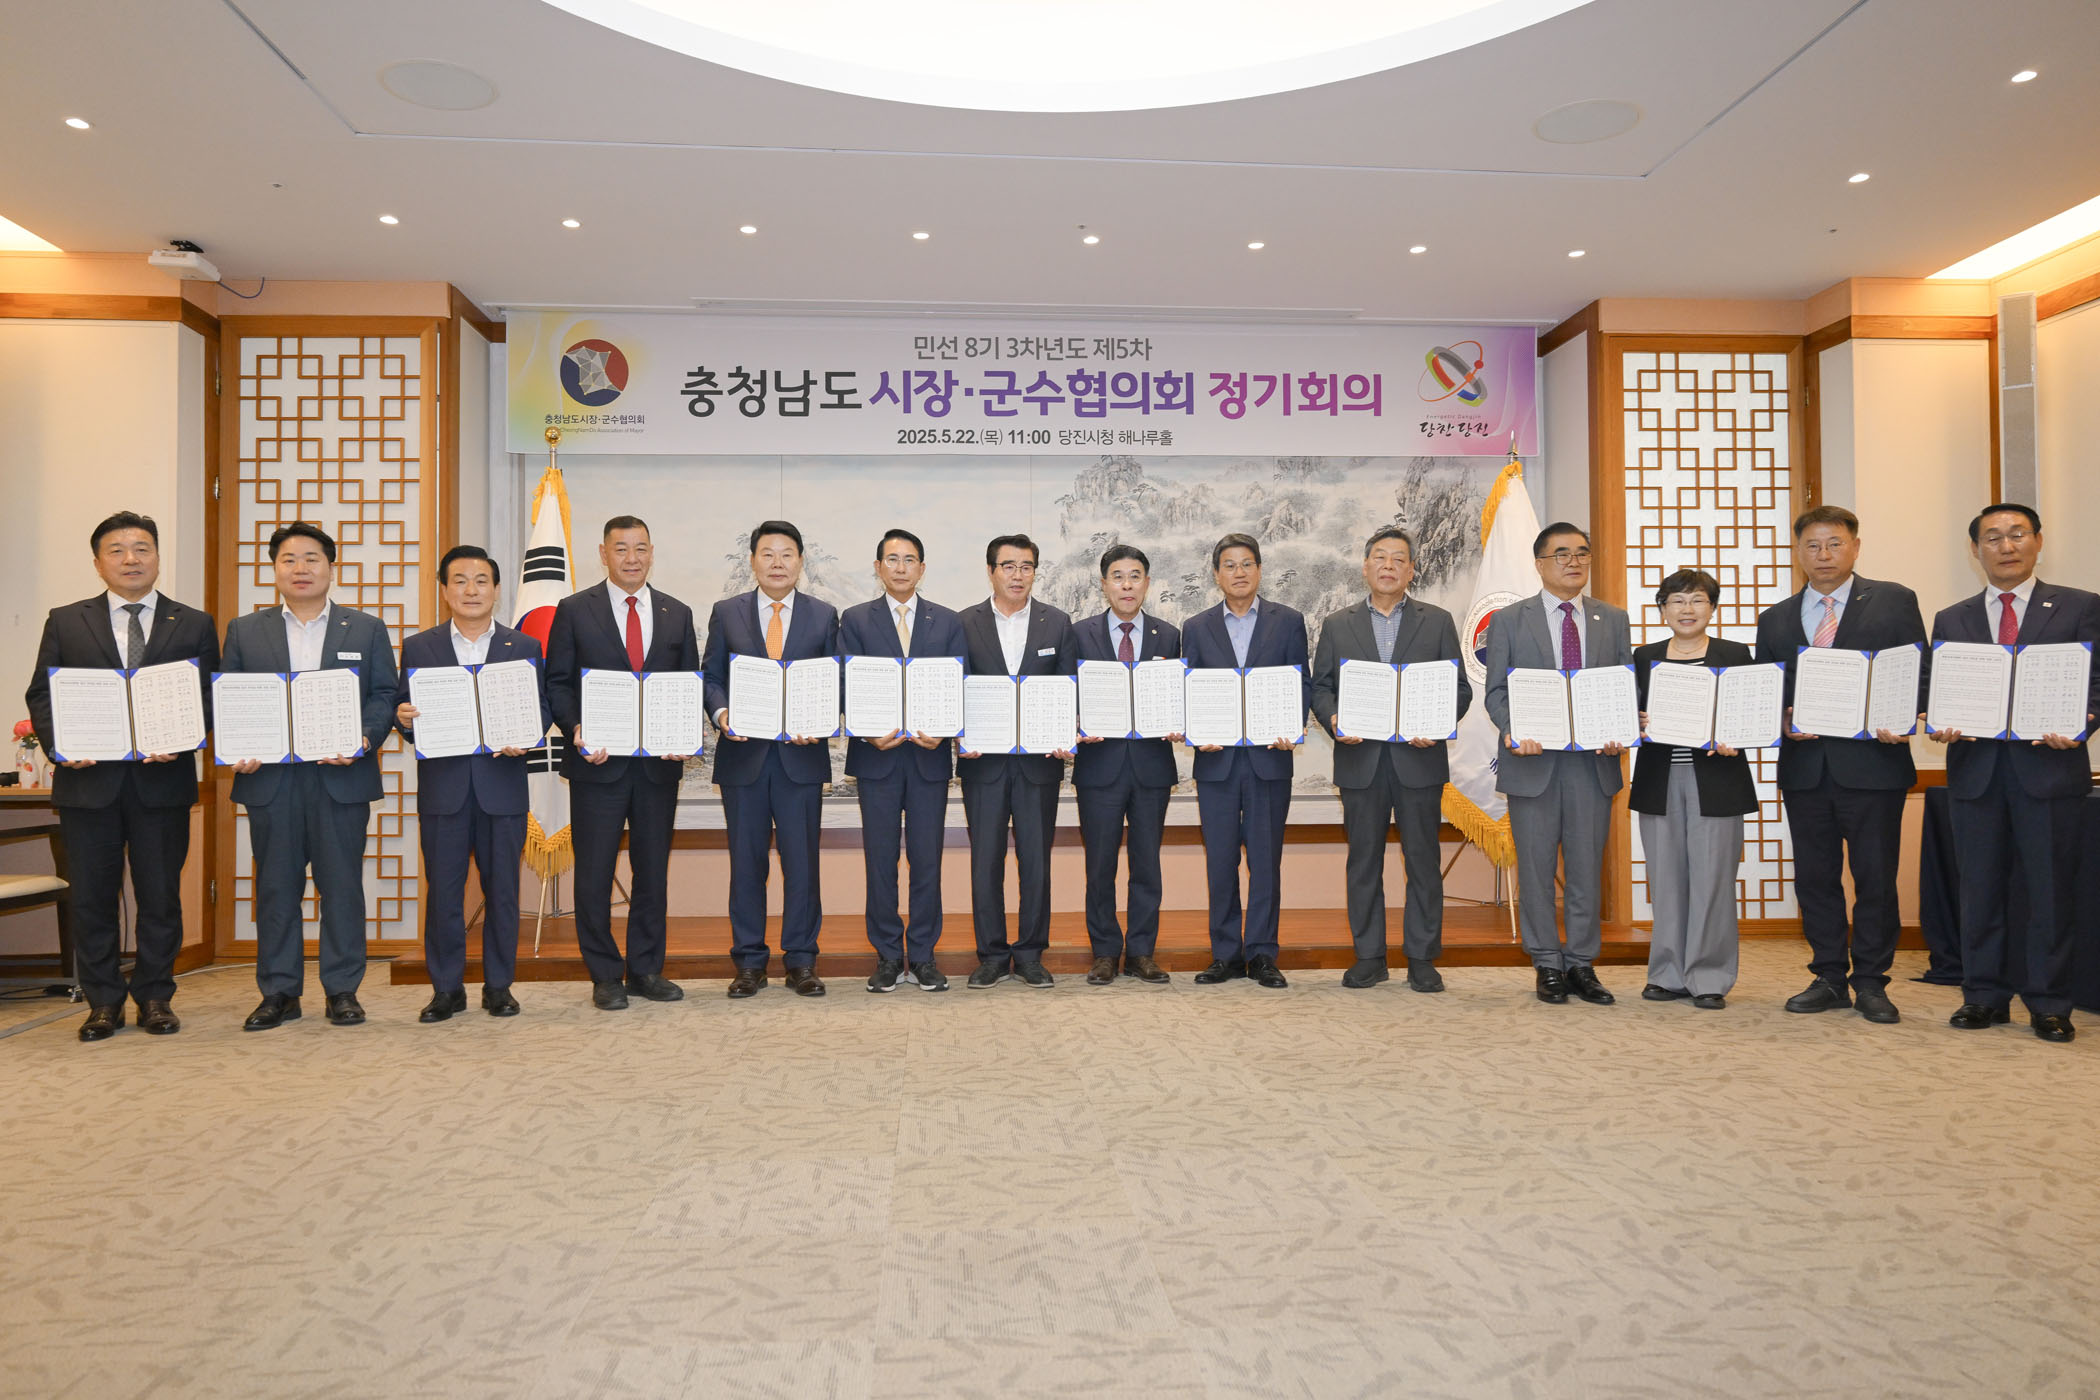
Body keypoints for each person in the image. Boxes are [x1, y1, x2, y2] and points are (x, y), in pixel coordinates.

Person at [24, 511, 218, 1041]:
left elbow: (208, 696)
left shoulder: (193, 623)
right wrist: (61, 747)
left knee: (160, 898)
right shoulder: (66, 620)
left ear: (157, 557)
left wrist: (182, 738)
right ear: (97, 563)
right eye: (117, 550)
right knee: (92, 898)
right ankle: (102, 1002)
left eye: (142, 548)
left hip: (162, 784)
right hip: (88, 785)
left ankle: (155, 996)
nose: (131, 559)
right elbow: (42, 693)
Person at [1926, 504, 2100, 1044]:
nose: (2006, 546)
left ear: (2038, 541)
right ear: (1975, 550)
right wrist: (1938, 720)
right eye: (1993, 537)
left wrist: (2082, 724)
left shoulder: (2079, 606)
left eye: (2017, 534)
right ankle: (1983, 996)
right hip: (1976, 774)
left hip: (2050, 770)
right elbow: (1937, 685)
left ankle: (2049, 1003)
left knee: (2050, 892)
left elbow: (2096, 682)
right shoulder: (1952, 618)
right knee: (1979, 891)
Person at [221, 522, 398, 1030]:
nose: (300, 568)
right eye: (289, 559)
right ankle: (279, 992)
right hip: (270, 780)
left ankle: (342, 990)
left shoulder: (364, 629)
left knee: (341, 888)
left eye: (312, 558)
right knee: (276, 889)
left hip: (340, 779)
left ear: (331, 567)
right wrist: (238, 747)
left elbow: (384, 694)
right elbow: (230, 698)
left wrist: (363, 739)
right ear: (274, 569)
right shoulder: (245, 630)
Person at [1754, 505, 1924, 1025]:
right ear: (1798, 552)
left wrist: (1904, 715)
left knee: (1875, 879)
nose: (1823, 554)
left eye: (1834, 543)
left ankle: (1871, 980)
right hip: (1807, 770)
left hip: (1874, 766)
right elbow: (1767, 691)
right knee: (1815, 878)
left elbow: (1917, 671)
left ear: (1855, 546)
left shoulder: (1893, 600)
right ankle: (1828, 975)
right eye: (1812, 545)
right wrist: (1782, 719)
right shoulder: (1776, 618)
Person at [544, 515, 700, 1011]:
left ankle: (646, 969)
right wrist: (575, 728)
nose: (632, 558)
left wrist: (683, 735)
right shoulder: (574, 609)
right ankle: (605, 974)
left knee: (652, 872)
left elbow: (688, 684)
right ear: (603, 553)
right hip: (597, 764)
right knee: (593, 874)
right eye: (621, 549)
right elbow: (558, 683)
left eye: (640, 548)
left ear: (652, 553)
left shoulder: (677, 613)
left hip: (657, 768)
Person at [393, 545, 552, 1022]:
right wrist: (404, 719)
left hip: (502, 789)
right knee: (444, 893)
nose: (471, 590)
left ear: (496, 590)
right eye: (459, 581)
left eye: (481, 581)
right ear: (444, 590)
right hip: (444, 791)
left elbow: (541, 707)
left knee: (503, 892)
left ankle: (499, 986)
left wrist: (526, 735)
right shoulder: (420, 647)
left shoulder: (523, 647)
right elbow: (404, 710)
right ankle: (446, 989)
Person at [1311, 526, 1471, 992]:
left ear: (1411, 570)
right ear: (1365, 567)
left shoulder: (1436, 621)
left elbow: (1459, 689)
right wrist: (1334, 719)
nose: (1388, 566)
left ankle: (1421, 957)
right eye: (1379, 557)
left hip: (1418, 761)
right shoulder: (1338, 624)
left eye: (1399, 559)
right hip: (1360, 760)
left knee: (1423, 861)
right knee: (1363, 862)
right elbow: (1321, 687)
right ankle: (1370, 956)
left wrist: (1437, 724)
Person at [1482, 522, 1632, 1006]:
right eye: (1562, 554)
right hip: (1533, 764)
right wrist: (1513, 730)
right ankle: (1547, 962)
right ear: (1540, 564)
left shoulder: (1612, 619)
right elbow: (1496, 691)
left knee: (1586, 869)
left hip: (1592, 764)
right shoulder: (1509, 619)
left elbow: (1622, 686)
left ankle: (1582, 963)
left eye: (1582, 553)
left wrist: (1619, 730)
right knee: (1536, 869)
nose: (1574, 562)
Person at [703, 520, 841, 999]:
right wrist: (721, 713)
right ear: (753, 561)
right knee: (747, 866)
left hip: (800, 761)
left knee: (802, 866)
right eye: (768, 554)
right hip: (743, 759)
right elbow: (711, 676)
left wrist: (821, 720)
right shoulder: (727, 613)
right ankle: (749, 963)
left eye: (787, 554)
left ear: (801, 561)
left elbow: (835, 680)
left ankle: (801, 961)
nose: (777, 563)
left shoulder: (823, 615)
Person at [838, 528, 966, 993]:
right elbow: (844, 681)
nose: (900, 567)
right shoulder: (855, 619)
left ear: (922, 568)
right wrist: (865, 729)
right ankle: (889, 956)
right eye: (891, 559)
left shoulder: (947, 621)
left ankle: (925, 956)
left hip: (928, 759)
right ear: (878, 568)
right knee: (881, 861)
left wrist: (946, 728)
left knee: (927, 860)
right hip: (878, 758)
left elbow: (960, 682)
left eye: (909, 559)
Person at [1182, 533, 1310, 989]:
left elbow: (1301, 683)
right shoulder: (1196, 627)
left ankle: (1261, 953)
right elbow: (1187, 688)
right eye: (1230, 565)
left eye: (1247, 564)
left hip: (1268, 761)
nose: (1239, 573)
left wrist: (1291, 724)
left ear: (1259, 570)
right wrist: (1196, 730)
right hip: (1216, 763)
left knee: (1265, 863)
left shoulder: (1288, 621)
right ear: (1217, 575)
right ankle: (1225, 955)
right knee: (1220, 863)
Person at [1631, 569, 1756, 1011]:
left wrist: (1737, 733)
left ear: (1713, 608)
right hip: (1660, 781)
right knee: (1666, 881)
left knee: (1712, 881)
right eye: (1677, 601)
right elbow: (1624, 715)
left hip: (1717, 781)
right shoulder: (1643, 657)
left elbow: (1752, 711)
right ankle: (1666, 974)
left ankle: (1708, 976)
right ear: (1662, 610)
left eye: (1698, 600)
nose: (1687, 609)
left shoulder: (1735, 654)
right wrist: (1635, 721)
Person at [956, 534, 1076, 988]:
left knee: (1035, 861)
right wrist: (959, 733)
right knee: (985, 861)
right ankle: (990, 955)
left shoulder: (1056, 623)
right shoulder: (964, 623)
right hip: (983, 763)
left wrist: (1066, 735)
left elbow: (1068, 687)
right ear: (991, 571)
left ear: (1035, 572)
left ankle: (1029, 954)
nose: (1018, 575)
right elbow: (954, 687)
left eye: (1026, 566)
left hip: (1038, 764)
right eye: (1008, 566)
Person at [1072, 544, 1182, 985]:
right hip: (1099, 768)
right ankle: (1104, 952)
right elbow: (1064, 692)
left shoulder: (1168, 635)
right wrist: (1072, 722)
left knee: (1146, 865)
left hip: (1152, 768)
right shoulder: (1078, 634)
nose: (1127, 585)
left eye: (1135, 576)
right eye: (1117, 576)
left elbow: (1180, 694)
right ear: (1104, 584)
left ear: (1147, 583)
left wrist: (1181, 721)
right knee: (1100, 866)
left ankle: (1141, 952)